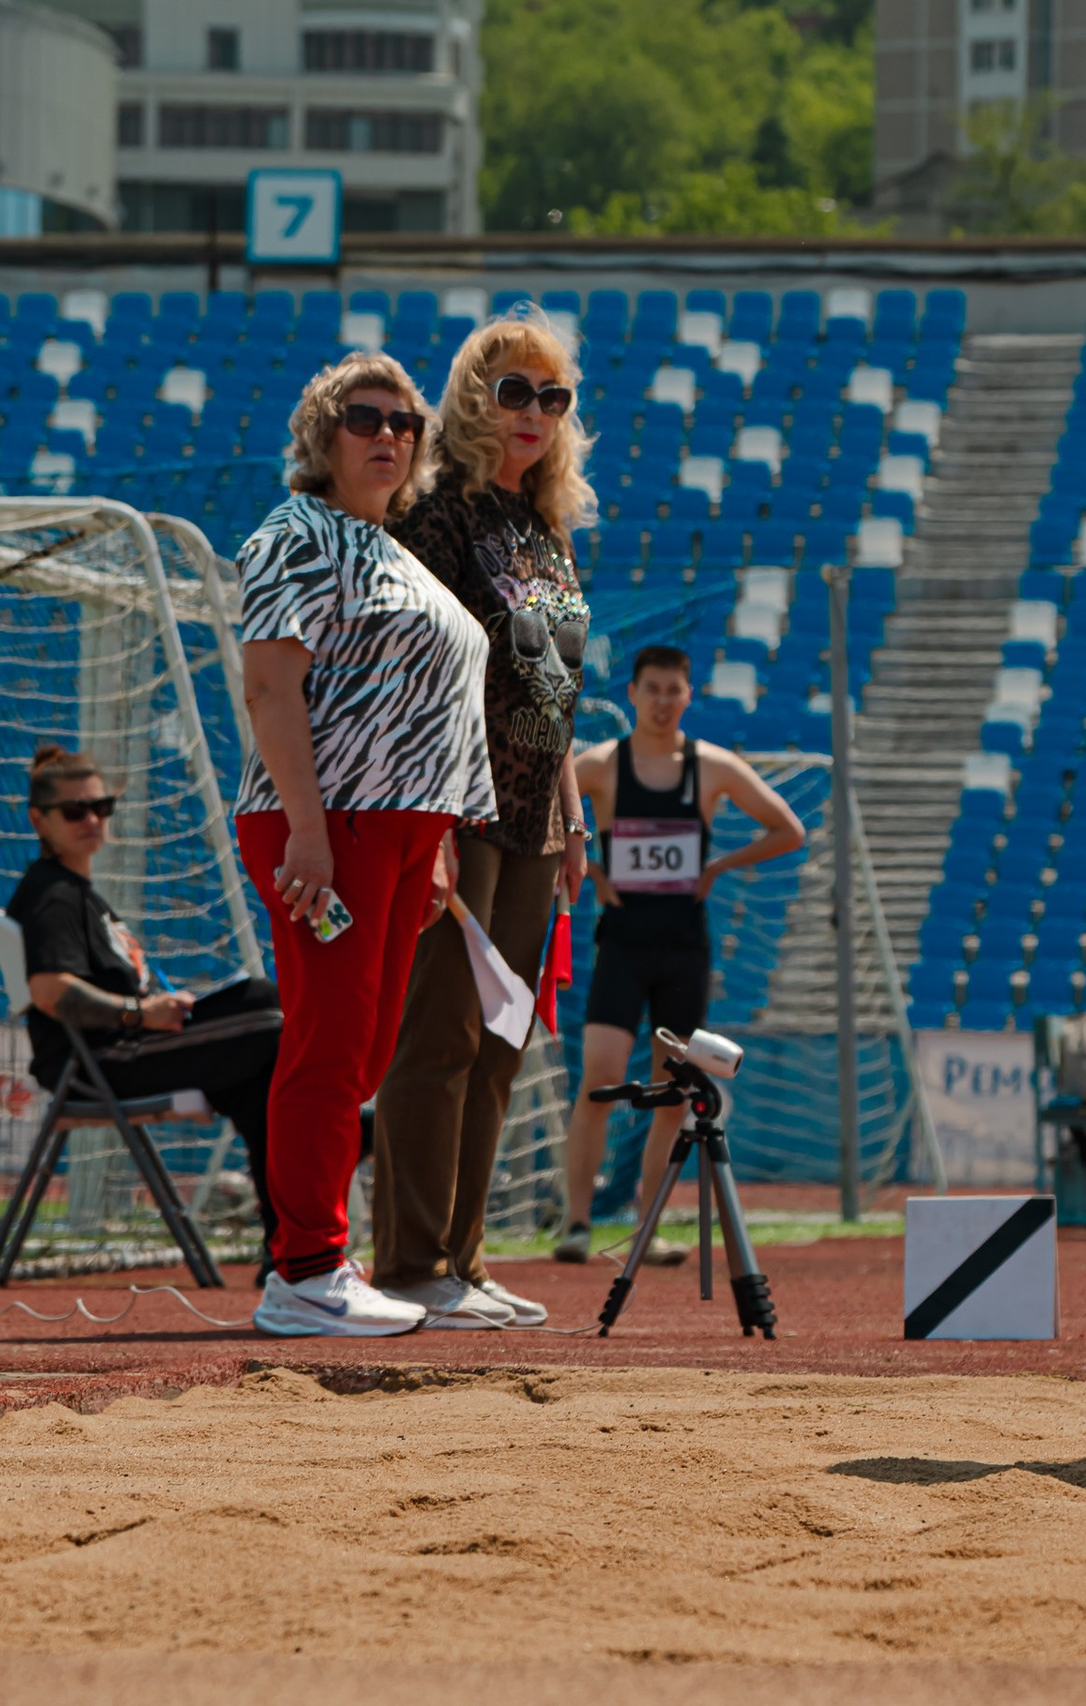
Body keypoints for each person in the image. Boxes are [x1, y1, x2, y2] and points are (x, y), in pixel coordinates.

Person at [234, 351, 495, 1337]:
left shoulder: (394, 551)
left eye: (405, 422)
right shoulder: (295, 534)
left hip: (400, 829)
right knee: (329, 1044)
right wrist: (307, 829)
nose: (387, 433)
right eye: (362, 417)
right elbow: (271, 687)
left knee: (369, 1048)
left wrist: (435, 840)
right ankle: (303, 1268)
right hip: (326, 823)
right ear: (321, 435)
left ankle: (319, 1262)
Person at [374, 309, 595, 1328]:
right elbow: (412, 675)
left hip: (531, 820)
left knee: (501, 1045)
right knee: (442, 1036)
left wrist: (572, 821)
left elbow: (552, 690)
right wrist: (427, 830)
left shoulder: (542, 525)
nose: (535, 413)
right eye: (515, 392)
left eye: (552, 397)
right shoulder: (440, 513)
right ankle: (412, 1261)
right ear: (472, 400)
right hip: (454, 808)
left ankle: (461, 1258)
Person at [555, 647, 806, 1263]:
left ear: (689, 695)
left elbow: (789, 829)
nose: (665, 701)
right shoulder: (603, 765)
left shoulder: (713, 767)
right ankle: (577, 1224)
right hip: (621, 943)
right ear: (634, 695)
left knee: (673, 1090)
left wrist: (720, 865)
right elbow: (546, 795)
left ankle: (647, 1227)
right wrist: (584, 854)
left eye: (675, 690)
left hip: (684, 948)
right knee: (600, 1076)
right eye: (654, 689)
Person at [6, 745, 287, 1271]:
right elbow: (49, 990)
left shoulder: (81, 891)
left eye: (101, 807)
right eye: (75, 811)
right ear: (38, 820)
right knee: (265, 1011)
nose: (92, 819)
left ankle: (288, 1252)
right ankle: (351, 1139)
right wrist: (141, 1013)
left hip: (121, 1049)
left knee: (258, 1088)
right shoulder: (53, 894)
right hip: (97, 1063)